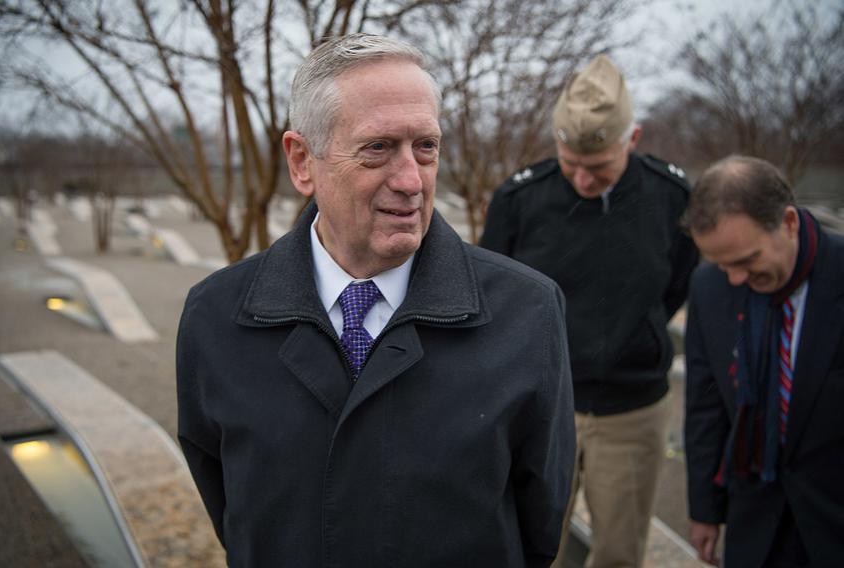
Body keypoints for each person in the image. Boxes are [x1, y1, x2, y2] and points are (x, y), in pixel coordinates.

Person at [177, 33, 576, 567]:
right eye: (378, 148)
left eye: (426, 147)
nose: (411, 180)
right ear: (302, 162)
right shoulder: (215, 318)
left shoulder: (527, 312)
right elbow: (233, 510)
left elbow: (539, 524)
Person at [481, 54, 698, 568]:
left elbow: (678, 283)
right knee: (531, 544)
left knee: (620, 552)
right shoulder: (520, 198)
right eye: (570, 163)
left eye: (598, 168)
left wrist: (633, 333)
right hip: (540, 402)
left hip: (632, 406)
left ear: (634, 139)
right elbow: (494, 294)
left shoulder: (672, 197)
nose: (581, 179)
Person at [683, 155, 844, 567]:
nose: (735, 279)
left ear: (788, 223)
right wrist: (704, 508)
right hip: (755, 522)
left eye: (746, 260)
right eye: (721, 264)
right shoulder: (709, 287)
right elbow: (705, 406)